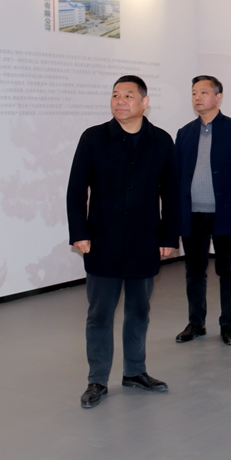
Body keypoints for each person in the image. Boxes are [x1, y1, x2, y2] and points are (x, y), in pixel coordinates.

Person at [67, 75, 180, 409]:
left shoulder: (161, 141)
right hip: (103, 240)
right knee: (99, 314)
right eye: (115, 95)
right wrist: (79, 233)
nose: (120, 101)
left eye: (128, 95)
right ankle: (97, 379)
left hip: (145, 240)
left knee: (139, 311)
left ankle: (135, 371)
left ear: (145, 102)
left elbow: (172, 193)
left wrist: (168, 236)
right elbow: (77, 189)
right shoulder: (93, 138)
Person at [174, 75, 231, 346]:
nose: (197, 97)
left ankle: (227, 323)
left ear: (218, 97)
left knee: (227, 268)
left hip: (225, 212)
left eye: (204, 92)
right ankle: (196, 323)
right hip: (192, 214)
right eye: (194, 93)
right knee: (194, 270)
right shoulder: (185, 133)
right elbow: (176, 176)